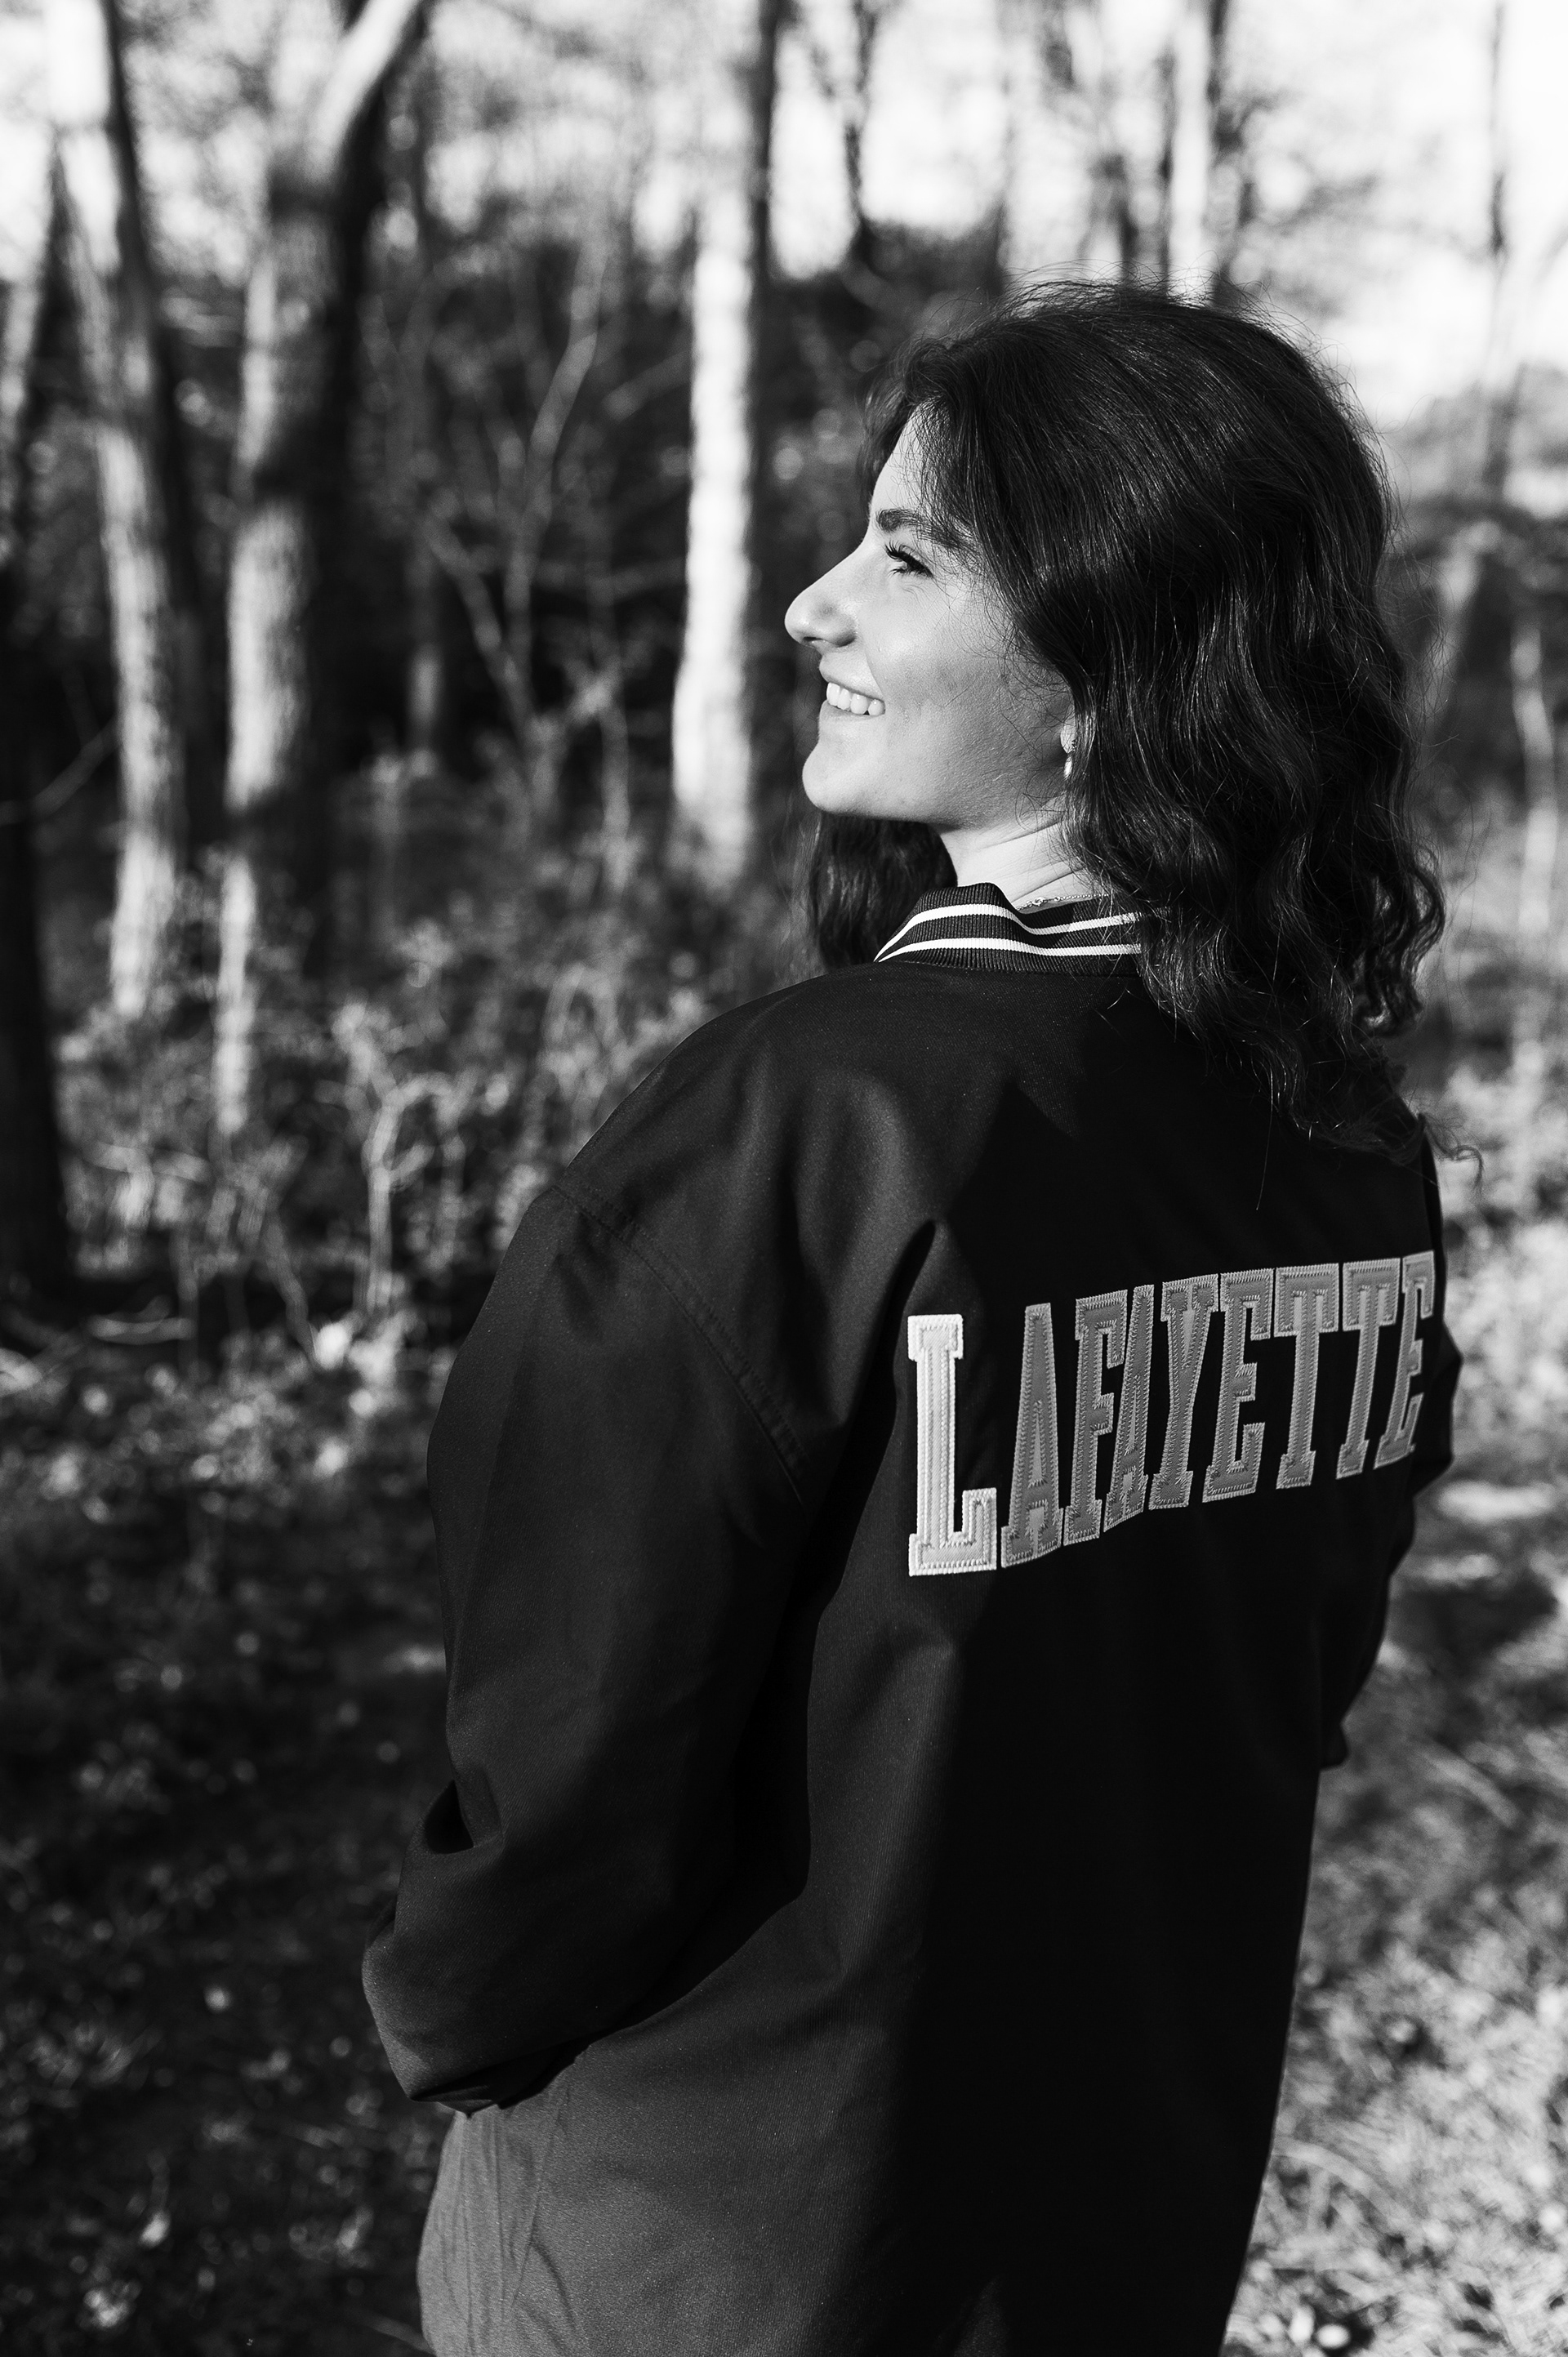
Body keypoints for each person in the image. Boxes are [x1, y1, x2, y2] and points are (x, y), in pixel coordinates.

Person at [364, 283, 1461, 2357]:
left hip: (717, 2252)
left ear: (1108, 675)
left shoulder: (801, 1121)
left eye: (909, 555)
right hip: (1119, 2214)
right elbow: (1284, 1697)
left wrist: (449, 2009)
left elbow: (572, 1739)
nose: (812, 605)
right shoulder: (1344, 1146)